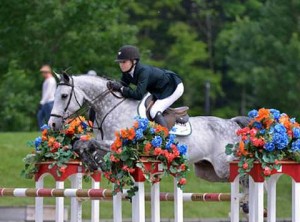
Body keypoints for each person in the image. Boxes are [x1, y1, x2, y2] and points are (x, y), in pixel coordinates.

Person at [108, 45, 184, 128]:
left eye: (124, 62)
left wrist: (121, 88)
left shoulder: (143, 71)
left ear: (134, 61)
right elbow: (122, 86)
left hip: (173, 87)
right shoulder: (126, 72)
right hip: (156, 89)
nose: (121, 65)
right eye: (120, 62)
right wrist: (114, 85)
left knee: (154, 111)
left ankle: (165, 137)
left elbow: (138, 95)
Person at [37, 64, 57, 128]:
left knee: (49, 119)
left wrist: (41, 102)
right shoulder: (47, 80)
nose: (42, 74)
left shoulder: (51, 80)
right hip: (46, 102)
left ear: (46, 72)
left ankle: (50, 132)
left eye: (43, 72)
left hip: (49, 102)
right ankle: (44, 131)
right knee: (40, 116)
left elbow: (48, 93)